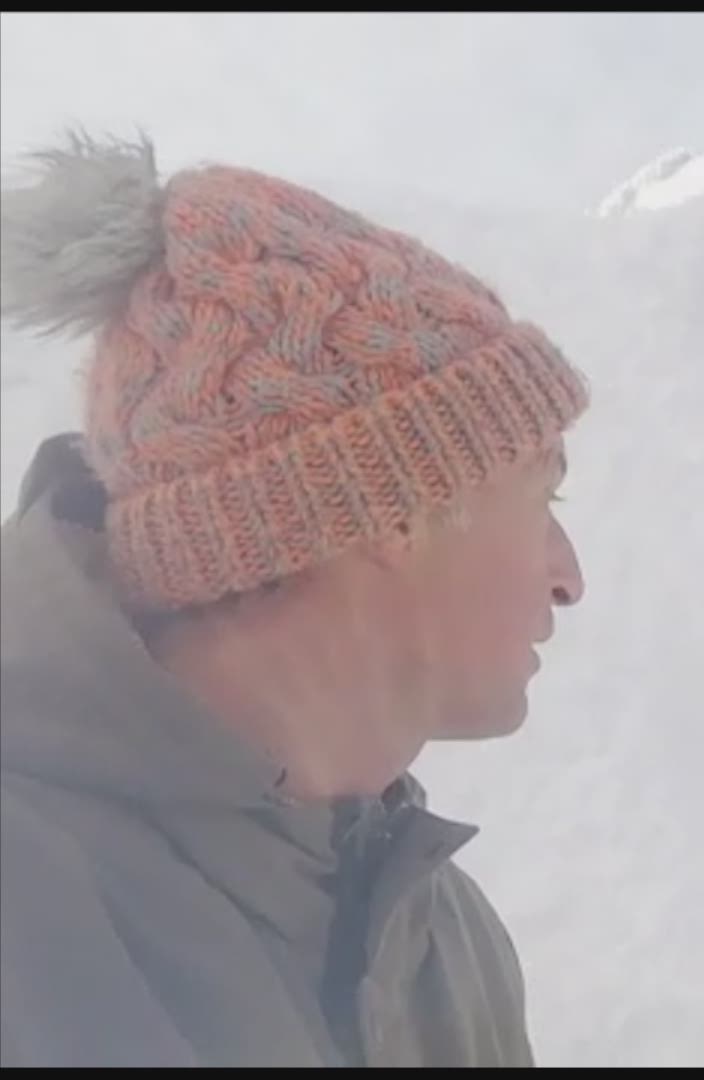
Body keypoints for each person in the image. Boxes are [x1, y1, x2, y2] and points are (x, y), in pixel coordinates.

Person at [0, 133, 591, 1066]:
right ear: (396, 508)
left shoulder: (444, 939)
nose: (569, 575)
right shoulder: (28, 917)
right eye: (542, 499)